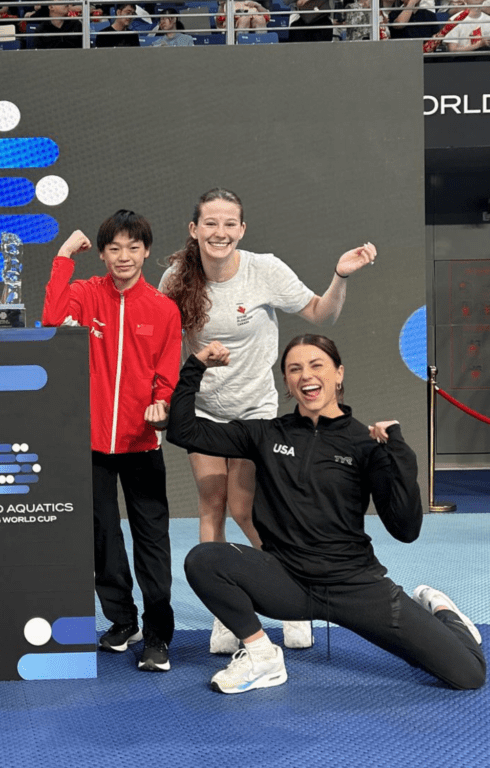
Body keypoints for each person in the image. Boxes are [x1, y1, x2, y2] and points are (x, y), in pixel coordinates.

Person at [169, 335, 486, 694]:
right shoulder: (265, 433)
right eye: (295, 368)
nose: (306, 375)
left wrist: (399, 457)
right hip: (288, 582)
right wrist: (196, 366)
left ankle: (443, 610)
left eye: (316, 365)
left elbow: (405, 528)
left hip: (356, 587)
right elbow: (184, 431)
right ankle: (262, 657)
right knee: (204, 560)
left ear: (338, 374)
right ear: (287, 382)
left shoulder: (365, 443)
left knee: (468, 674)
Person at [159, 188, 376, 655]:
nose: (220, 232)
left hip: (255, 410)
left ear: (242, 229)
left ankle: (292, 603)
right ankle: (225, 612)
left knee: (247, 509)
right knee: (212, 504)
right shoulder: (176, 277)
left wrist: (340, 275)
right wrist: (164, 394)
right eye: (210, 223)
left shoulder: (265, 270)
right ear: (194, 230)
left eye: (229, 223)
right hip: (203, 409)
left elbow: (322, 312)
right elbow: (158, 341)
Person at [42, 213, 182, 672]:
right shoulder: (85, 295)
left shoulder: (162, 309)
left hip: (142, 445)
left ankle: (159, 633)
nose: (124, 257)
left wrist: (161, 404)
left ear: (146, 252)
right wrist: (63, 258)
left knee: (152, 543)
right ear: (102, 254)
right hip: (92, 445)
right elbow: (50, 321)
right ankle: (123, 621)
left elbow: (167, 374)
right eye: (115, 249)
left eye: (133, 247)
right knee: (101, 539)